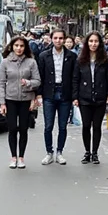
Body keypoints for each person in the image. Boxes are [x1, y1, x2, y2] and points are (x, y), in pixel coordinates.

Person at [72, 31, 108, 163]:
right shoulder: (80, 60)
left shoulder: (106, 60)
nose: (93, 44)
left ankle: (95, 152)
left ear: (100, 43)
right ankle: (87, 152)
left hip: (100, 97)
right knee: (85, 126)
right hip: (84, 97)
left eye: (96, 41)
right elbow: (75, 79)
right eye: (91, 41)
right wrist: (75, 97)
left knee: (97, 126)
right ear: (86, 43)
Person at [0, 34, 40, 168]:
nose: (19, 48)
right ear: (12, 46)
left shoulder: (31, 62)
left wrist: (28, 83)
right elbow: (2, 83)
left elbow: (37, 81)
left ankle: (21, 157)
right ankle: (13, 157)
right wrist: (2, 103)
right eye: (16, 45)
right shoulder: (5, 62)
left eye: (22, 46)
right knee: (12, 129)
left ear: (25, 47)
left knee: (23, 129)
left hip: (26, 99)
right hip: (10, 99)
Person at [37, 27, 76, 164]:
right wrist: (38, 95)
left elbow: (74, 77)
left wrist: (74, 96)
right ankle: (49, 152)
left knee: (63, 126)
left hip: (65, 94)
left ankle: (60, 152)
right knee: (48, 126)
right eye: (55, 38)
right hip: (49, 94)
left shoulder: (71, 56)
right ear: (51, 39)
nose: (58, 41)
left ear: (64, 39)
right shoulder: (43, 56)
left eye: (61, 38)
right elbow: (40, 76)